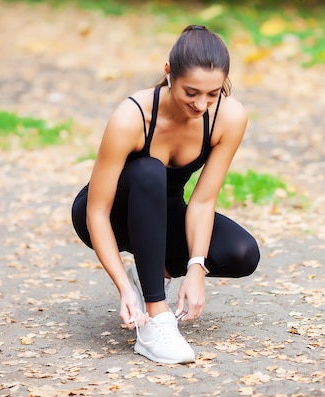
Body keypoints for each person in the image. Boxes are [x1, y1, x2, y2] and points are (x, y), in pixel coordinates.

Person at [71, 25, 260, 365]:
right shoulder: (132, 117)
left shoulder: (229, 117)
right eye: (191, 92)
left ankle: (153, 275)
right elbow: (96, 212)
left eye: (213, 94)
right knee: (149, 170)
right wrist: (125, 291)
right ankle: (156, 320)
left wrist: (196, 269)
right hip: (111, 215)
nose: (201, 104)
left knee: (241, 253)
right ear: (169, 73)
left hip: (163, 214)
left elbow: (202, 201)